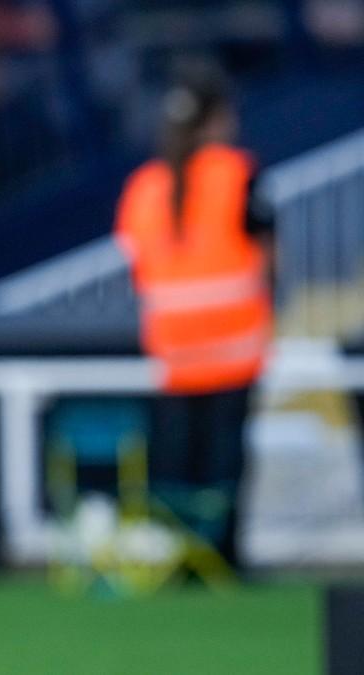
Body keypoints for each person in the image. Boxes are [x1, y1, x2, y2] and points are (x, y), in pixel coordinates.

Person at [114, 71, 273, 570]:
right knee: (224, 465)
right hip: (234, 351)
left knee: (176, 464)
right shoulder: (237, 173)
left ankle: (179, 559)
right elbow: (268, 257)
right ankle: (221, 559)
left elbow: (138, 267)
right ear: (217, 119)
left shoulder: (144, 186)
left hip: (173, 356)